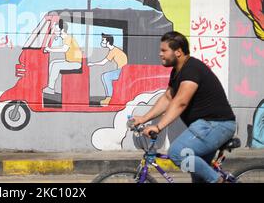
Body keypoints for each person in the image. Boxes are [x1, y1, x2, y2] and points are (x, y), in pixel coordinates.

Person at [132, 31, 236, 183]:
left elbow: (180, 102)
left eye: (164, 50)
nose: (160, 54)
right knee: (200, 178)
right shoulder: (178, 71)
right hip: (206, 127)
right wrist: (144, 118)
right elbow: (168, 98)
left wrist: (158, 127)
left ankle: (219, 181)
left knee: (178, 153)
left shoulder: (191, 70)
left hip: (215, 125)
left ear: (178, 52)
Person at [43, 19, 82, 95]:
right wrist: (49, 49)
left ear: (62, 30)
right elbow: (61, 47)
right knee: (53, 63)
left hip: (76, 63)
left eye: (57, 30)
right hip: (70, 61)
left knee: (56, 65)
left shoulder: (67, 38)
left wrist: (50, 50)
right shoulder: (66, 38)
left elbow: (64, 49)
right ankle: (49, 85)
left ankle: (51, 88)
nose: (55, 32)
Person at [88, 33, 128, 105]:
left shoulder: (113, 51)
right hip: (122, 70)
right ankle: (108, 97)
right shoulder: (114, 50)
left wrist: (92, 64)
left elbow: (103, 62)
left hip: (123, 71)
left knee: (106, 76)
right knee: (104, 76)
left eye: (103, 40)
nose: (101, 42)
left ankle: (109, 98)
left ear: (108, 42)